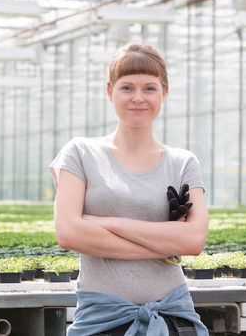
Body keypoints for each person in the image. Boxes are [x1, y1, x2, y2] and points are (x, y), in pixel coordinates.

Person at [50, 43, 209, 336]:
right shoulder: (80, 153)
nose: (138, 98)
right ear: (110, 92)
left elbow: (194, 240)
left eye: (149, 88)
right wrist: (163, 246)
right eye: (127, 88)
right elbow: (69, 233)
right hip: (102, 320)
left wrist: (102, 223)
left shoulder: (183, 162)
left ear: (164, 93)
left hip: (173, 317)